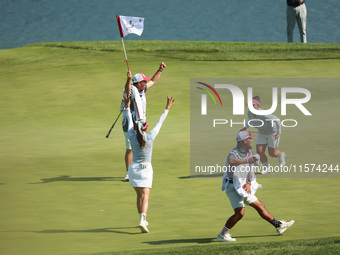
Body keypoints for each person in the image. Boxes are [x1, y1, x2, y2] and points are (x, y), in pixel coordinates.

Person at [217, 130, 294, 242]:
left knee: (260, 205)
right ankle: (222, 234)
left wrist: (248, 182)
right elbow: (231, 161)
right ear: (243, 141)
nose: (252, 140)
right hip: (232, 187)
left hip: (243, 185)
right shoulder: (234, 152)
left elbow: (251, 169)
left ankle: (278, 226)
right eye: (250, 139)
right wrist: (247, 160)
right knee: (240, 213)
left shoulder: (250, 152)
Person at [123, 93, 175, 233]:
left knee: (139, 196)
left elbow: (129, 121)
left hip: (133, 169)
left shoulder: (132, 136)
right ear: (145, 128)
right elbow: (160, 122)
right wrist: (167, 107)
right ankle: (142, 220)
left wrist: (128, 107)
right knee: (145, 196)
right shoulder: (150, 137)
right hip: (146, 170)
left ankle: (141, 218)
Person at [121, 63, 166, 181]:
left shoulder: (142, 90)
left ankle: (138, 167)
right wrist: (128, 80)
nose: (146, 83)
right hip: (130, 123)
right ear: (138, 83)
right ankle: (128, 173)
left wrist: (160, 70)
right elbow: (127, 90)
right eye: (144, 81)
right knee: (130, 147)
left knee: (141, 144)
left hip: (141, 123)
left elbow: (153, 81)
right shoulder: (132, 89)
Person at [240, 96, 285, 173]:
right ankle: (266, 167)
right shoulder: (249, 112)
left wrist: (278, 132)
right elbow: (250, 119)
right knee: (259, 151)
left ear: (258, 105)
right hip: (262, 132)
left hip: (272, 133)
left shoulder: (264, 114)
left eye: (253, 105)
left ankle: (281, 155)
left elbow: (277, 120)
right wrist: (245, 127)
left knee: (272, 153)